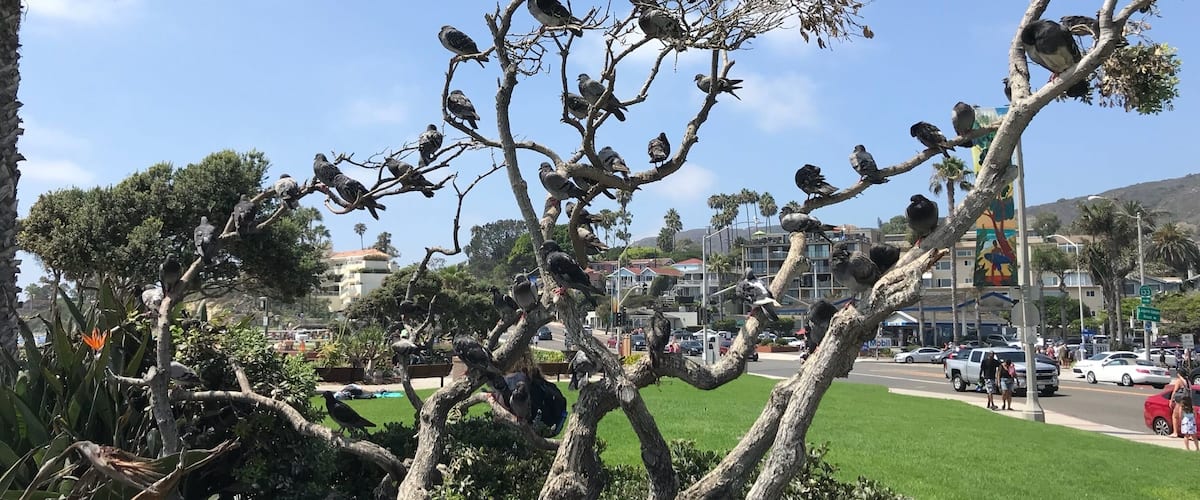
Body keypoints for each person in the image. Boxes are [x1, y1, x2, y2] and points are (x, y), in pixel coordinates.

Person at [1169, 370, 1191, 438]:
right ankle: (1189, 434)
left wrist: (1171, 400)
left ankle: (1175, 432)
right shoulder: (1188, 381)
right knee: (1187, 417)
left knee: (1176, 416)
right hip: (1188, 401)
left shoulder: (1179, 381)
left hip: (1180, 402)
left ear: (1179, 374)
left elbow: (1175, 391)